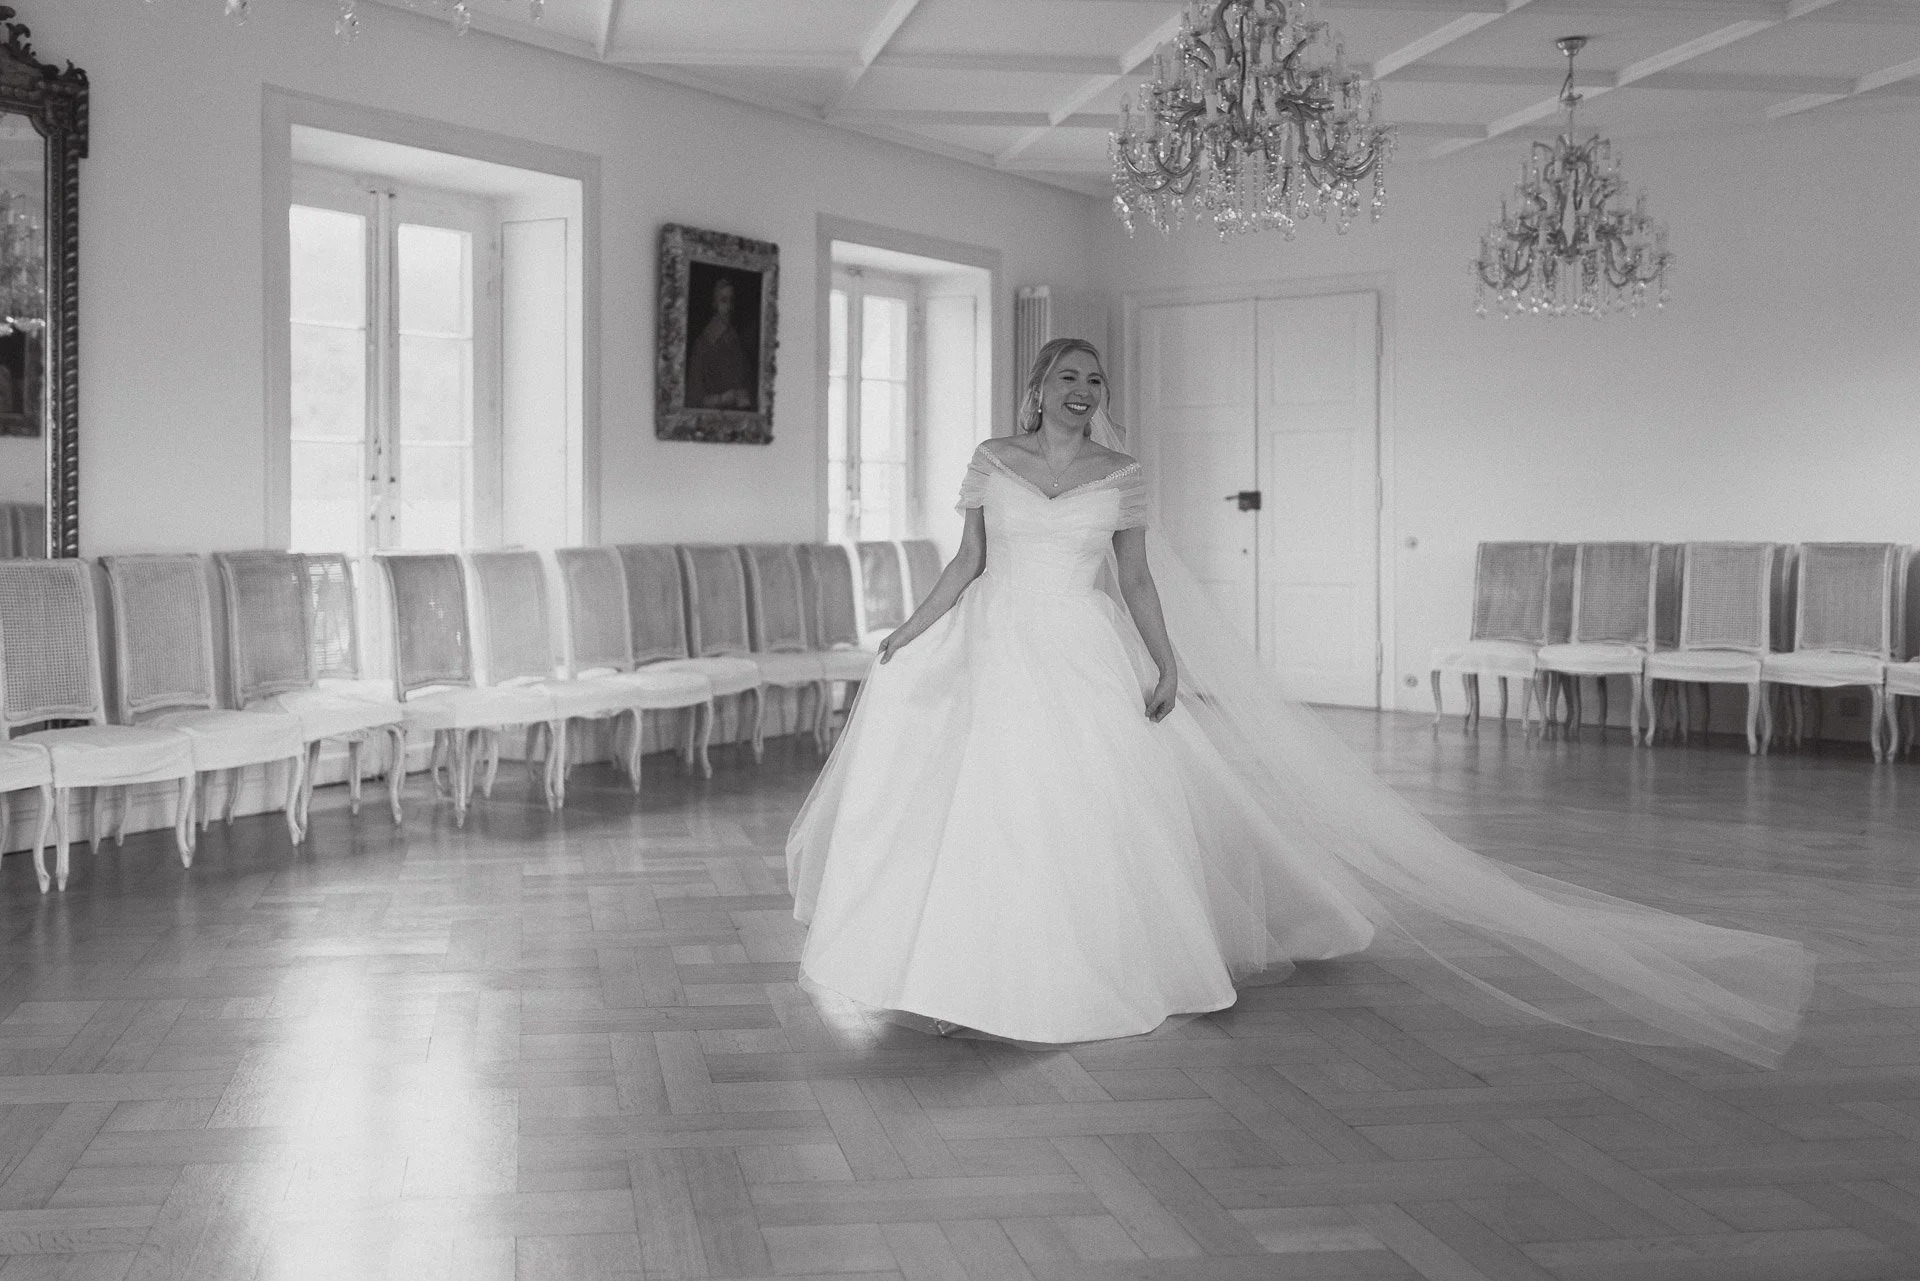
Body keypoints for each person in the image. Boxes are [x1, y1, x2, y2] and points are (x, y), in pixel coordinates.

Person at [787, 338, 1812, 1064]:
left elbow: (1135, 579)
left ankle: (1069, 968)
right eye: (1068, 376)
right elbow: (965, 561)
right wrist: (910, 632)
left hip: (1080, 649)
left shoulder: (1122, 473)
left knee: (1077, 811)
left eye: (1095, 380)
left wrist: (1166, 662)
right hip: (995, 644)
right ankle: (959, 975)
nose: (1082, 390)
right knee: (983, 807)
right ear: (1037, 387)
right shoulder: (992, 461)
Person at [686, 277, 754, 410]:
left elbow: (747, 384)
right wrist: (722, 399)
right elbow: (693, 398)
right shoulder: (703, 344)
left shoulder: (736, 342)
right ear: (715, 304)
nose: (729, 307)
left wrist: (743, 396)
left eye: (731, 301)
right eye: (723, 301)